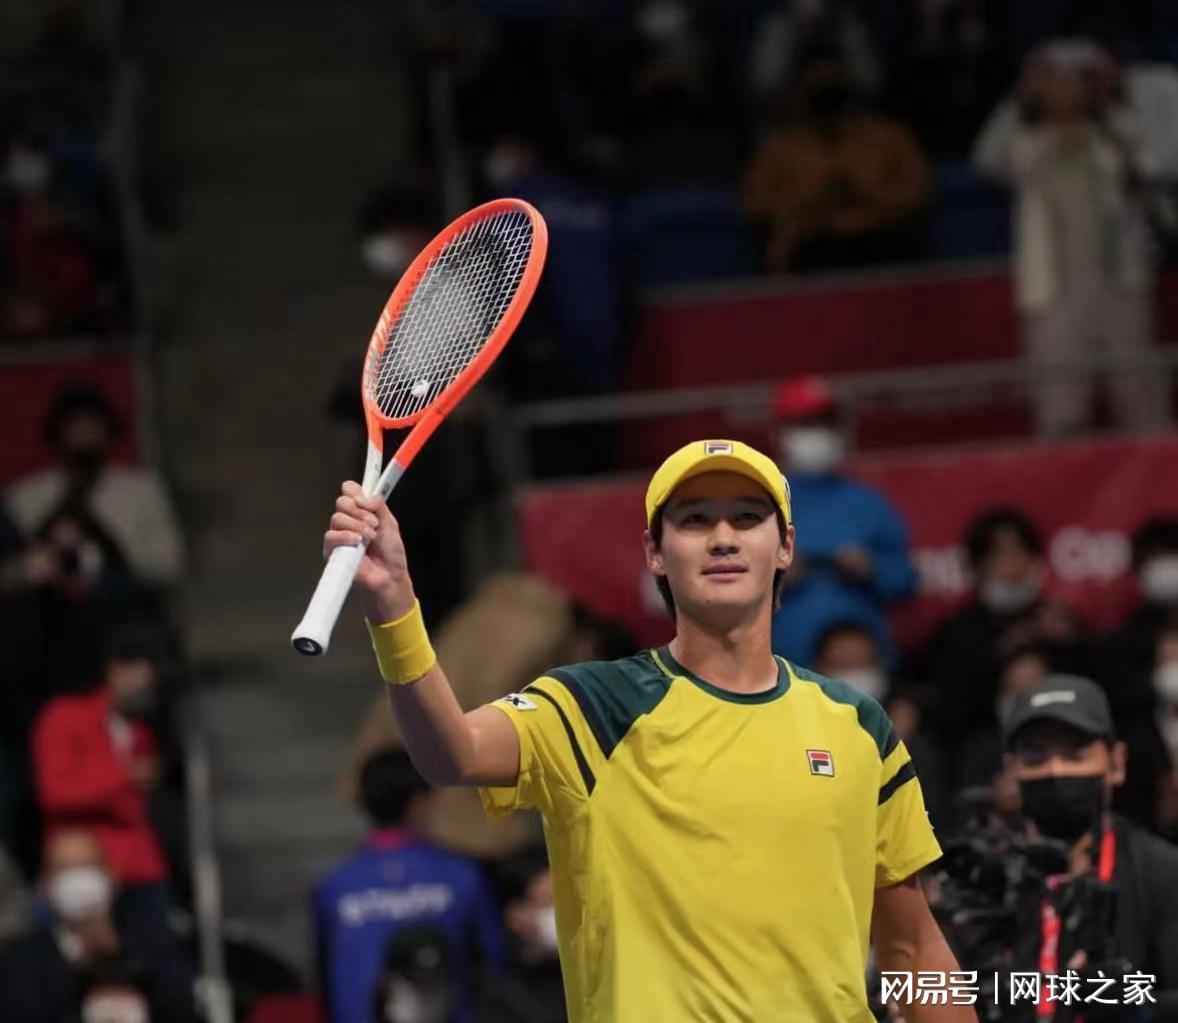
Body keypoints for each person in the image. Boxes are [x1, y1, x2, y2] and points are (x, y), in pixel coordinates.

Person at [322, 437, 974, 1021]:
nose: (723, 537)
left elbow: (914, 948)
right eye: (695, 520)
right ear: (655, 554)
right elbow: (451, 754)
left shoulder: (858, 725)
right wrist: (395, 609)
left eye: (747, 518)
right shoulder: (591, 706)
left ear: (785, 546)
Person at [974, 40, 1172, 439]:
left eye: (1075, 80)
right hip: (1052, 290)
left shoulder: (1114, 135)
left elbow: (1154, 161)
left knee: (1142, 401)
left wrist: (1112, 99)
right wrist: (1019, 95)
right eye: (1054, 81)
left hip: (1121, 282)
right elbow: (986, 157)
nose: (1064, 90)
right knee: (1060, 408)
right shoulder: (1024, 142)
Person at [1000, 675, 1178, 1015]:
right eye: (1035, 758)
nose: (1055, 770)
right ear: (1011, 771)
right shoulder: (986, 882)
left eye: (1075, 754)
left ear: (1116, 763)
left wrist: (1131, 1006)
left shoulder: (1163, 874)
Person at [313, 747, 504, 1023]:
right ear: (419, 803)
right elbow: (496, 962)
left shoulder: (333, 887)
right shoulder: (460, 876)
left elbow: (324, 979)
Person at [920, 506, 1085, 772]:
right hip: (984, 752)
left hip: (1062, 743)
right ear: (978, 566)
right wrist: (1003, 652)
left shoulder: (1060, 624)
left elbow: (1093, 697)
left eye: (1019, 552)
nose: (1010, 565)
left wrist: (1071, 643)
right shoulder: (958, 632)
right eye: (998, 554)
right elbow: (952, 711)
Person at [744, 42, 930, 273]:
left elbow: (918, 192)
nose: (828, 105)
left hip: (880, 236)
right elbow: (756, 205)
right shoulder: (778, 149)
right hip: (812, 244)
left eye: (834, 92)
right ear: (800, 93)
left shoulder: (889, 137)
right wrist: (815, 199)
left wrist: (865, 193)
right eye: (819, 95)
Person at [769, 376, 917, 667]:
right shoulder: (764, 506)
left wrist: (871, 570)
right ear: (779, 433)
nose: (816, 434)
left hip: (862, 669)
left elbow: (905, 581)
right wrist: (774, 579)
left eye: (824, 423)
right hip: (784, 668)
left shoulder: (869, 504)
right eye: (804, 425)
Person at [0, 829, 195, 1023]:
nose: (78, 880)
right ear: (44, 885)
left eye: (88, 865)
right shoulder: (20, 964)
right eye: (64, 869)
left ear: (112, 876)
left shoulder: (154, 948)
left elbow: (180, 1008)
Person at [31, 626, 171, 890]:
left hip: (140, 865)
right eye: (138, 677)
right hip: (81, 862)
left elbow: (135, 808)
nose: (144, 688)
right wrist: (125, 777)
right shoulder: (64, 717)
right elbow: (56, 794)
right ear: (115, 670)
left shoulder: (141, 733)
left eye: (149, 683)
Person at [4, 383, 184, 587]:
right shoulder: (26, 495)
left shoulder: (141, 490)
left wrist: (110, 559)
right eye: (75, 424)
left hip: (124, 599)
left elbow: (169, 563)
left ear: (108, 430)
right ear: (58, 431)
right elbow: (9, 569)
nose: (84, 432)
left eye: (93, 424)